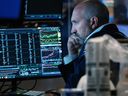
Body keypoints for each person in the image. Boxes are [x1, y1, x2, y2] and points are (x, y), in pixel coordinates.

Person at [58, 0, 127, 88]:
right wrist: (73, 55)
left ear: (93, 22)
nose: (73, 30)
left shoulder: (96, 45)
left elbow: (72, 88)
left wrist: (72, 57)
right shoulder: (118, 37)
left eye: (75, 23)